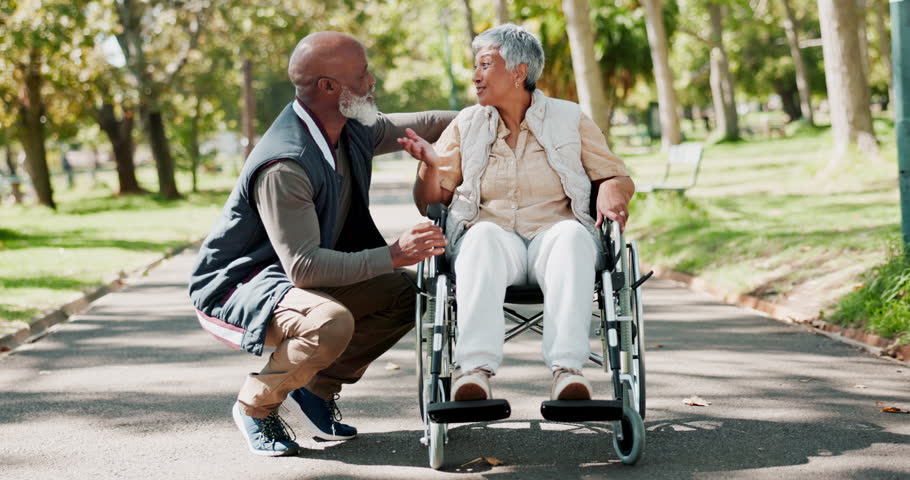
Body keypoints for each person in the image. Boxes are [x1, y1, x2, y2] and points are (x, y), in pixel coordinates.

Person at [188, 32, 456, 457]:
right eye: (362, 73)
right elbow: (306, 269)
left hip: (288, 274)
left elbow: (422, 123)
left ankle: (316, 390)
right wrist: (394, 254)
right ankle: (255, 406)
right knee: (329, 323)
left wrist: (496, 111)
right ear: (329, 87)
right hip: (241, 284)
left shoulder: (349, 127)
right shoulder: (285, 164)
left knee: (407, 294)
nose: (372, 81)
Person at [397, 24, 635, 403]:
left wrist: (609, 189)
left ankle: (568, 371)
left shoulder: (569, 117)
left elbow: (616, 175)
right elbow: (431, 203)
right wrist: (428, 165)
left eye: (485, 65)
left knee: (572, 235)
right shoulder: (467, 123)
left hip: (554, 238)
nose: (475, 76)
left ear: (519, 72)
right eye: (475, 67)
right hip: (494, 244)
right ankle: (473, 371)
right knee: (481, 236)